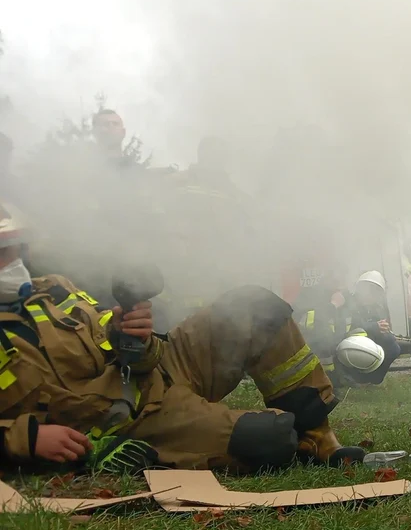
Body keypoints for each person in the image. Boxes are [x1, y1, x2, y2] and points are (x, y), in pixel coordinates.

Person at [0, 199, 365, 474]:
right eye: (4, 252)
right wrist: (26, 439)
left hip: (162, 367)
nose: (14, 261)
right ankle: (140, 455)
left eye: (16, 248)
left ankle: (319, 437)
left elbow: (127, 352)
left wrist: (133, 336)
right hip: (130, 420)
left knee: (256, 307)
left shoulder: (54, 289)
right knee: (271, 439)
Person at [296, 270, 401, 390]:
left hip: (342, 343)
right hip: (331, 345)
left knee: (392, 346)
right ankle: (343, 378)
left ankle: (371, 379)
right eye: (368, 290)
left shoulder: (374, 308)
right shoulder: (345, 302)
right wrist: (373, 327)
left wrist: (386, 332)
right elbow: (343, 326)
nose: (369, 295)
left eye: (374, 292)